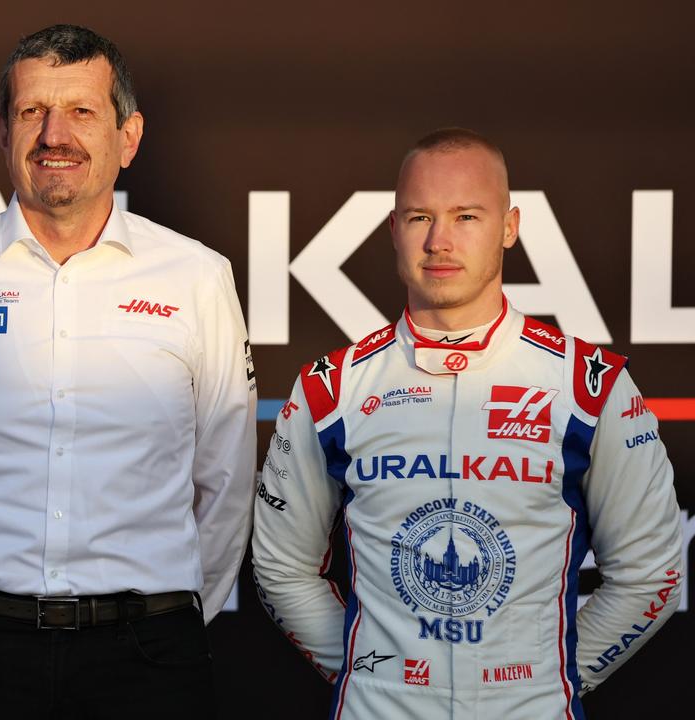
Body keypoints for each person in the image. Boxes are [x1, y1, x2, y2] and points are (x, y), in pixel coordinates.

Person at [0, 24, 256, 718]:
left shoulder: (198, 278)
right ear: (2, 131)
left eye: (81, 111)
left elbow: (225, 481)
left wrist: (170, 622)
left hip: (149, 662)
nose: (55, 135)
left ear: (128, 136)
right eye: (32, 112)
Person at [251, 127, 683, 717]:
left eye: (467, 217)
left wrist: (552, 679)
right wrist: (368, 671)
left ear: (509, 227)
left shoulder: (588, 385)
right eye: (419, 218)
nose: (439, 241)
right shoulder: (332, 388)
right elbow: (282, 569)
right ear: (393, 231)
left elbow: (651, 576)